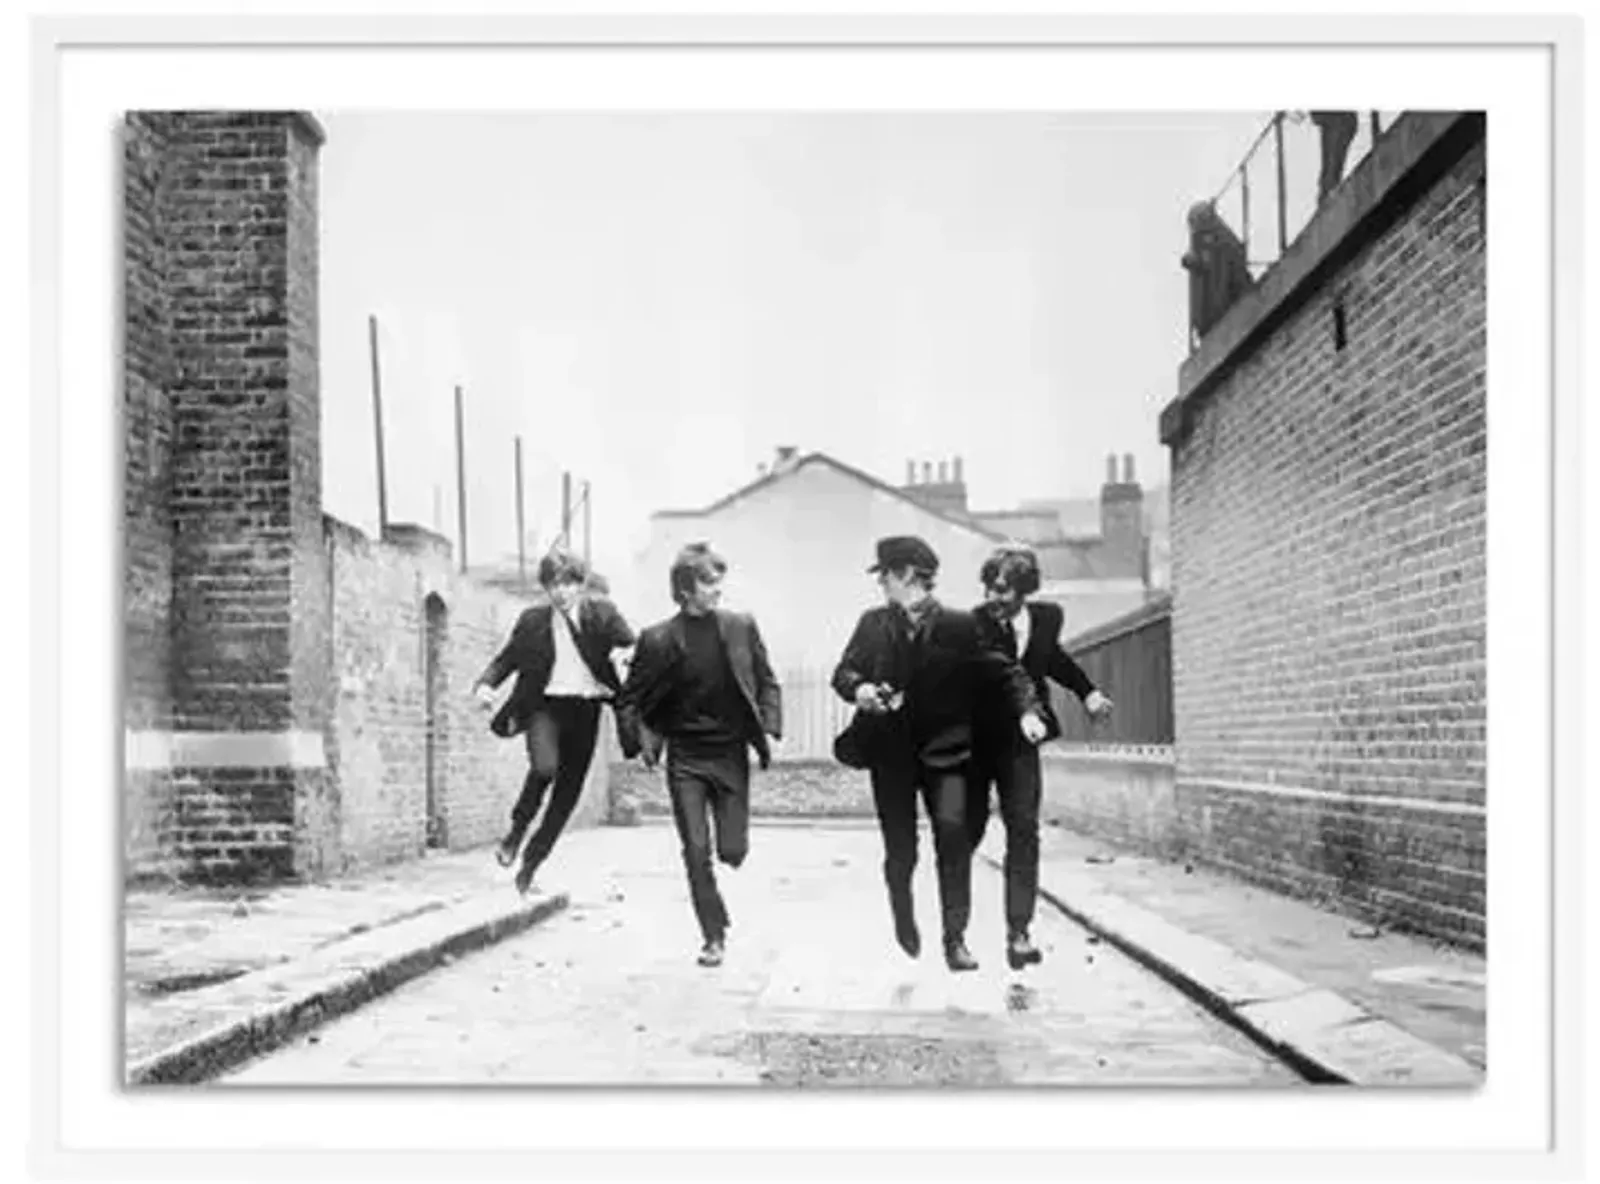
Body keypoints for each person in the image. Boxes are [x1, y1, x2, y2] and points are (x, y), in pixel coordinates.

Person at [831, 535, 1044, 972]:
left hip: (946, 761)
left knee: (952, 839)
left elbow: (1006, 671)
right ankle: (903, 910)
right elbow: (843, 672)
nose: (881, 584)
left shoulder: (960, 625)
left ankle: (955, 939)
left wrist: (1028, 711)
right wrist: (862, 689)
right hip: (890, 760)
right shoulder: (873, 624)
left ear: (908, 575)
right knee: (901, 849)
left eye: (885, 575)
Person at [616, 543, 782, 968]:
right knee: (694, 849)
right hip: (686, 758)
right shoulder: (657, 639)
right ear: (685, 590)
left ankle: (726, 878)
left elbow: (767, 680)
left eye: (718, 582)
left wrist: (768, 723)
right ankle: (713, 935)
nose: (717, 591)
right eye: (709, 583)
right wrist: (639, 745)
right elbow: (628, 698)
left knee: (733, 850)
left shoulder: (741, 626)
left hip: (729, 754)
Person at [969, 545, 1114, 970]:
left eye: (1003, 591)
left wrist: (1087, 692)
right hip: (979, 739)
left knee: (1024, 831)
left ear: (1024, 591)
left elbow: (1053, 660)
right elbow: (997, 672)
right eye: (989, 589)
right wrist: (1025, 710)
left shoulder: (1046, 618)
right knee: (967, 830)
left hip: (1020, 744)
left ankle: (1018, 932)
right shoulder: (975, 625)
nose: (994, 598)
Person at [471, 548, 636, 895]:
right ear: (546, 588)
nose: (561, 592)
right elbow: (507, 659)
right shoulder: (533, 620)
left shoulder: (602, 614)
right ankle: (516, 832)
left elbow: (630, 645)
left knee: (566, 798)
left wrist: (625, 655)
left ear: (580, 584)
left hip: (586, 710)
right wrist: (486, 685)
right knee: (544, 767)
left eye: (568, 583)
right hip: (545, 707)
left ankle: (531, 862)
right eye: (553, 585)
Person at [1180, 200, 1253, 348]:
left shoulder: (1220, 238)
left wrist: (1196, 261)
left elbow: (1219, 263)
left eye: (1195, 222)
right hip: (1213, 310)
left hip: (1225, 302)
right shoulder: (1205, 239)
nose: (1193, 229)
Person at [1310, 110, 1359, 202]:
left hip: (1339, 120)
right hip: (1338, 121)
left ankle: (1327, 198)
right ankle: (1327, 197)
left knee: (1330, 178)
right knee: (1330, 178)